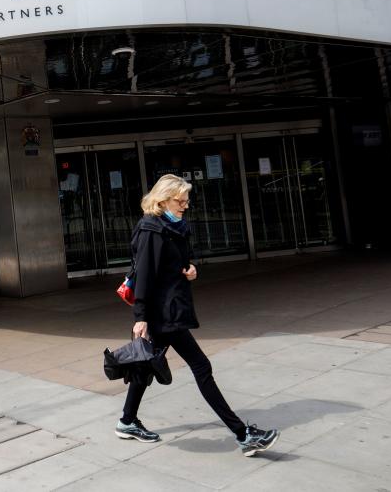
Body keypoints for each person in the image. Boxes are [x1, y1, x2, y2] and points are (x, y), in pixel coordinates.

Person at [116, 174, 279, 457]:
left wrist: (189, 267)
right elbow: (143, 275)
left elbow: (179, 259)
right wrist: (140, 317)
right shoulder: (151, 230)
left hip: (171, 307)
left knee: (144, 366)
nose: (186, 205)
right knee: (201, 367)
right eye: (181, 200)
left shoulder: (172, 226)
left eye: (187, 200)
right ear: (163, 199)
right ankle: (243, 435)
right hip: (162, 313)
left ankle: (127, 421)